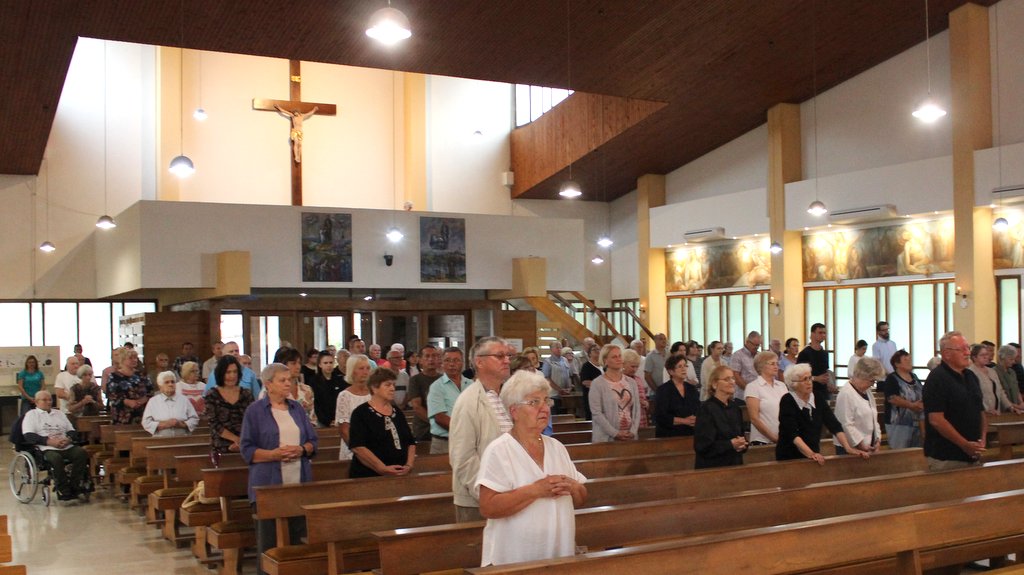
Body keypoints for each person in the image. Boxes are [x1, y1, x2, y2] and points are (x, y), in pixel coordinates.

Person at [476, 369, 587, 566]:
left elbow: (581, 498)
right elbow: (488, 507)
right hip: (516, 558)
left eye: (546, 401)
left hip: (559, 554)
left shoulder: (557, 447)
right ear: (514, 411)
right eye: (534, 402)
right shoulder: (499, 450)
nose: (545, 408)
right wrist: (536, 490)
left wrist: (574, 487)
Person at [240, 363, 318, 575]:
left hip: (298, 481)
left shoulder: (296, 408)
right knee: (269, 541)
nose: (287, 384)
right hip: (268, 484)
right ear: (268, 384)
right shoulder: (255, 411)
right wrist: (273, 455)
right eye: (282, 380)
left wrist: (301, 449)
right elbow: (247, 449)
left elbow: (313, 441)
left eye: (289, 380)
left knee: (298, 537)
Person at [449, 336, 513, 523]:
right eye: (499, 356)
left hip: (509, 493)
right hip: (479, 500)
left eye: (508, 356)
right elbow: (462, 458)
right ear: (479, 362)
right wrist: (489, 495)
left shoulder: (505, 396)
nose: (507, 360)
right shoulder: (468, 401)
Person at [776, 363, 867, 463]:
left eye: (810, 378)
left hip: (813, 454)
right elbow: (792, 433)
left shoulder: (817, 397)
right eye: (805, 379)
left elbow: (834, 425)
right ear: (794, 384)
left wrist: (848, 448)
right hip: (789, 456)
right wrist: (811, 453)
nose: (809, 382)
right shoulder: (787, 401)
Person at [924, 331, 987, 470]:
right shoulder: (937, 378)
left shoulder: (971, 376)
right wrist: (964, 445)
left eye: (968, 348)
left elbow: (980, 411)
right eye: (962, 349)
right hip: (947, 456)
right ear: (947, 354)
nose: (967, 353)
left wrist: (982, 439)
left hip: (973, 453)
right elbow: (936, 419)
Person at [21, 391, 90, 501]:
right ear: (36, 402)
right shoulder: (31, 415)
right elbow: (29, 435)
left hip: (65, 445)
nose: (49, 402)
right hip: (46, 448)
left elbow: (71, 430)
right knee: (56, 458)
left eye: (50, 400)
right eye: (44, 400)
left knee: (81, 453)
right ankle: (63, 488)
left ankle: (75, 485)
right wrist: (49, 441)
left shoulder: (59, 414)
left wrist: (68, 439)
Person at [348, 368, 417, 477]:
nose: (393, 388)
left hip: (400, 473)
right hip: (369, 475)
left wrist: (409, 465)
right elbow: (358, 447)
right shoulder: (361, 413)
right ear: (374, 388)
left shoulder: (397, 412)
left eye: (393, 385)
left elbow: (410, 442)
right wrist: (381, 468)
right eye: (388, 385)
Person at [694, 365, 748, 468]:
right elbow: (702, 446)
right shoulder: (707, 409)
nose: (732, 382)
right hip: (713, 467)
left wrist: (743, 444)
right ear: (715, 384)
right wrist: (730, 444)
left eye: (732, 378)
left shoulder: (735, 408)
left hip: (735, 464)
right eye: (727, 379)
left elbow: (741, 436)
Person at [589, 345, 640, 442]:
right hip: (606, 437)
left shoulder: (631, 382)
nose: (618, 359)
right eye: (614, 357)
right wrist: (615, 433)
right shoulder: (597, 384)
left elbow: (637, 409)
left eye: (620, 356)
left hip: (629, 435)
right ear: (605, 360)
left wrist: (633, 431)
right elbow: (597, 413)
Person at [206, 355, 255, 456]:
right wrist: (235, 439)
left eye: (235, 372)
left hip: (245, 443)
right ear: (221, 373)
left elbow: (253, 420)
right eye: (228, 372)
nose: (232, 376)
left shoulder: (246, 394)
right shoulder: (212, 395)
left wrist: (242, 441)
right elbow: (214, 423)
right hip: (221, 445)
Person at [833, 357, 883, 454]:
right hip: (850, 449)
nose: (872, 384)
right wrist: (860, 444)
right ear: (862, 376)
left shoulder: (867, 392)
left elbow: (874, 418)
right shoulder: (846, 393)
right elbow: (846, 424)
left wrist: (877, 439)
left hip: (868, 446)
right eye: (872, 380)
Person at [427, 347, 468, 454]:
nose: (452, 364)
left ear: (462, 363)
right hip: (444, 442)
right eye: (447, 360)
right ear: (442, 363)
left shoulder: (471, 385)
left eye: (456, 360)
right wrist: (466, 431)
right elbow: (440, 418)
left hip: (469, 441)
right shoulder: (436, 387)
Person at [743, 350, 788, 446]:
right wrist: (774, 438)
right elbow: (754, 418)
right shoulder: (753, 387)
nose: (776, 366)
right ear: (761, 366)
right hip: (762, 440)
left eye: (777, 363)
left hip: (784, 438)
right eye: (772, 364)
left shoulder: (782, 386)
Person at [881, 349, 924, 449]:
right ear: (897, 364)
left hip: (917, 422)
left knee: (916, 452)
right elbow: (892, 398)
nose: (909, 362)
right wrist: (911, 405)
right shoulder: (892, 378)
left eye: (910, 359)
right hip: (898, 424)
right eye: (905, 360)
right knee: (900, 452)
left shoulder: (914, 377)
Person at [335, 354, 372, 460]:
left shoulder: (374, 393)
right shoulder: (345, 396)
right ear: (352, 371)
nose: (365, 372)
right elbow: (344, 430)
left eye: (367, 368)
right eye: (361, 368)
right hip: (353, 450)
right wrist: (360, 451)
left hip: (374, 448)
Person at [969, 343, 1023, 415]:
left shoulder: (992, 371)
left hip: (996, 411)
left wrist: (1010, 407)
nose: (986, 357)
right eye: (982, 355)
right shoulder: (970, 372)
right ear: (974, 357)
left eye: (986, 354)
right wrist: (985, 409)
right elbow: (975, 395)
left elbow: (1000, 391)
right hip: (982, 412)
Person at [654, 355, 700, 437]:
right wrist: (684, 421)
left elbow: (698, 409)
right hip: (669, 434)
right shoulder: (663, 390)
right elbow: (661, 416)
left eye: (685, 366)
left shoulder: (692, 389)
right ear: (671, 371)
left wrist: (695, 418)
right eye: (680, 366)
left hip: (690, 432)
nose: (684, 369)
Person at [142, 371, 199, 437]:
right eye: (167, 382)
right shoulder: (153, 401)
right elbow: (146, 422)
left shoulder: (184, 400)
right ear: (160, 386)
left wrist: (182, 424)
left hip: (182, 438)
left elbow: (194, 419)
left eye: (172, 382)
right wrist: (165, 424)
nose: (170, 384)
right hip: (160, 439)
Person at [267, 347, 316, 422]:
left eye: (299, 363)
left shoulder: (307, 390)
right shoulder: (270, 390)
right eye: (293, 363)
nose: (298, 366)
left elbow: (312, 418)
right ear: (282, 365)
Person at [107, 348, 153, 424]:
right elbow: (112, 395)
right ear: (122, 359)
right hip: (122, 415)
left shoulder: (141, 375)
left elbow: (150, 391)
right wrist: (127, 402)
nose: (134, 360)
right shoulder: (114, 376)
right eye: (131, 358)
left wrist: (142, 401)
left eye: (135, 358)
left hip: (142, 413)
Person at [407, 345, 440, 441]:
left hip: (444, 428)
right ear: (420, 360)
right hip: (424, 429)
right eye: (427, 356)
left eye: (434, 356)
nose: (431, 359)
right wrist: (435, 422)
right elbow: (417, 406)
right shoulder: (415, 380)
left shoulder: (443, 379)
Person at [797, 323, 836, 402]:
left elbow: (825, 371)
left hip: (824, 392)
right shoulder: (804, 353)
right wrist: (816, 378)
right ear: (812, 334)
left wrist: (829, 383)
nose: (823, 335)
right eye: (820, 333)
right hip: (809, 391)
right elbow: (799, 375)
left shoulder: (825, 353)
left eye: (824, 333)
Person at [309, 351, 347, 427]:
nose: (329, 365)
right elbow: (316, 404)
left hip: (339, 419)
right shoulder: (314, 381)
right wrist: (327, 421)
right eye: (325, 363)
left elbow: (343, 401)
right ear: (320, 364)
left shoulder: (340, 380)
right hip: (321, 420)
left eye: (331, 362)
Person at [729, 330, 761, 402]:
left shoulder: (759, 355)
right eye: (754, 345)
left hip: (758, 395)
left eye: (758, 345)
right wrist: (750, 390)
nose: (756, 347)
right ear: (747, 342)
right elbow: (736, 376)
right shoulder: (737, 355)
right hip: (742, 396)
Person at [621, 348, 650, 427]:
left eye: (637, 367)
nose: (635, 369)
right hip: (626, 420)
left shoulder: (638, 379)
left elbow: (644, 398)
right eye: (632, 366)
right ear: (623, 364)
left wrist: (646, 403)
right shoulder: (618, 380)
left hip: (641, 418)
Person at [643, 333, 668, 397]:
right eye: (661, 339)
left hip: (669, 390)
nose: (664, 341)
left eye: (665, 339)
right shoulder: (650, 356)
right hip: (655, 393)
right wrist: (657, 390)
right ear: (655, 341)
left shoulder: (669, 354)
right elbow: (647, 376)